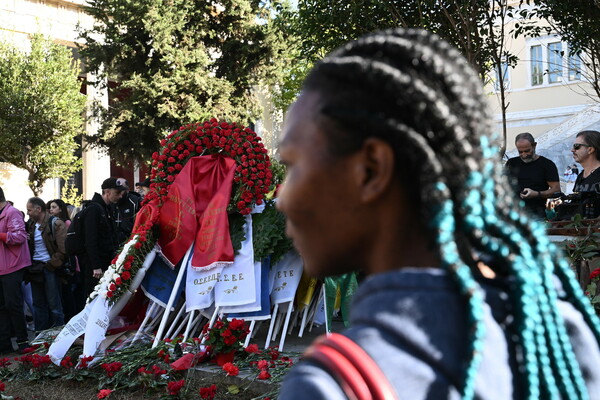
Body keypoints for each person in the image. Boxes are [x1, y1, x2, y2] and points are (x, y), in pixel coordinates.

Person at [276, 29, 600, 400]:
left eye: (294, 164)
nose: (282, 198)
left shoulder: (335, 386)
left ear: (370, 169)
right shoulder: (554, 325)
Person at [79, 178, 124, 303]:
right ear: (107, 192)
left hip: (105, 260)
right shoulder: (94, 209)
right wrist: (96, 266)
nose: (120, 196)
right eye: (117, 193)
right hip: (95, 266)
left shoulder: (107, 208)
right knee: (93, 297)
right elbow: (90, 239)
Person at [25, 197, 67, 331]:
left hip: (49, 268)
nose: (28, 213)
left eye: (29, 210)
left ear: (39, 209)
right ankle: (40, 336)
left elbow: (63, 250)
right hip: (35, 269)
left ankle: (59, 335)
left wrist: (50, 265)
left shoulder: (56, 223)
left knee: (54, 305)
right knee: (38, 304)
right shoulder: (31, 224)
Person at [0, 187, 30, 353]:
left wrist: (1, 235)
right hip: (2, 267)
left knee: (14, 305)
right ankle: (4, 344)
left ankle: (23, 342)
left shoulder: (12, 213)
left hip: (12, 267)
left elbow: (19, 236)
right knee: (2, 307)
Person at [505, 132, 560, 218]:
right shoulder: (511, 163)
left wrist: (536, 194)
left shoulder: (547, 164)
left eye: (527, 151)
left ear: (534, 145)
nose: (524, 155)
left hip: (538, 215)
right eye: (520, 152)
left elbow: (556, 190)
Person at [111, 178, 141, 245]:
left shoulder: (135, 202)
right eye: (116, 190)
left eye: (121, 190)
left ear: (127, 190)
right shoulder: (110, 201)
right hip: (112, 243)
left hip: (130, 243)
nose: (118, 193)